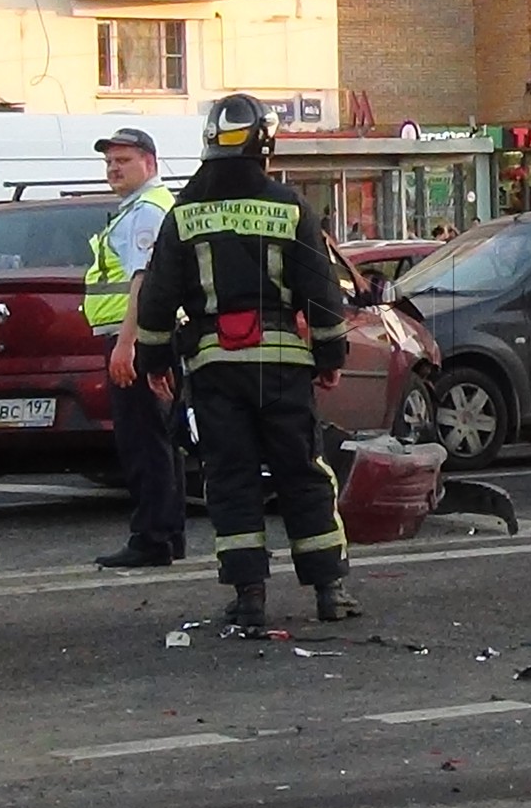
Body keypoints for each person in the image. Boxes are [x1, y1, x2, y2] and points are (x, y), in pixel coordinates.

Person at [133, 94, 357, 629]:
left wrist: (154, 357)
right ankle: (330, 590)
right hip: (282, 370)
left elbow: (158, 295)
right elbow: (321, 291)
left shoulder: (183, 212)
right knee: (302, 472)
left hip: (215, 370)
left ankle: (249, 596)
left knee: (230, 476)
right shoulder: (289, 207)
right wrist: (330, 352)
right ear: (265, 144)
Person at [88, 128, 187, 570]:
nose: (113, 168)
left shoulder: (146, 211)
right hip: (154, 335)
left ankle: (152, 537)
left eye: (123, 160)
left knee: (142, 440)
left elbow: (141, 282)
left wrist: (126, 344)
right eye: (109, 162)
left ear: (150, 163)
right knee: (160, 439)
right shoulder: (147, 207)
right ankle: (168, 533)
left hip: (138, 337)